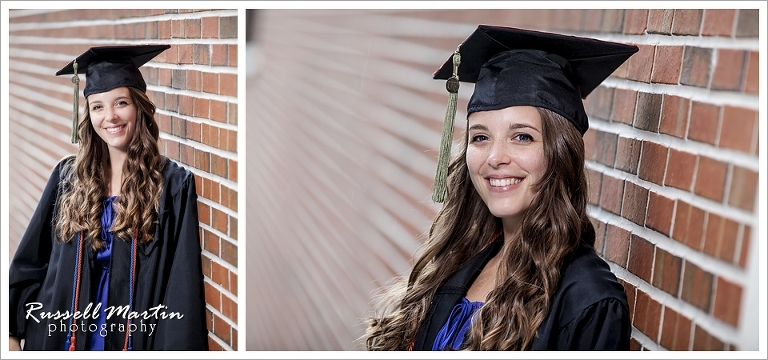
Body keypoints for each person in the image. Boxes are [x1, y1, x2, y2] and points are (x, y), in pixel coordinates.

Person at [365, 25, 639, 351]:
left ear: (560, 151)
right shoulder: (458, 261)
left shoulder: (587, 302)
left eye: (521, 136)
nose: (495, 158)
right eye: (480, 137)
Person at [8, 45, 209, 351]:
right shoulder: (68, 178)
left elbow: (181, 289)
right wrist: (11, 333)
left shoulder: (171, 185)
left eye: (120, 103)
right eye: (98, 106)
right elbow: (30, 264)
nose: (110, 116)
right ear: (87, 114)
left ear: (139, 106)